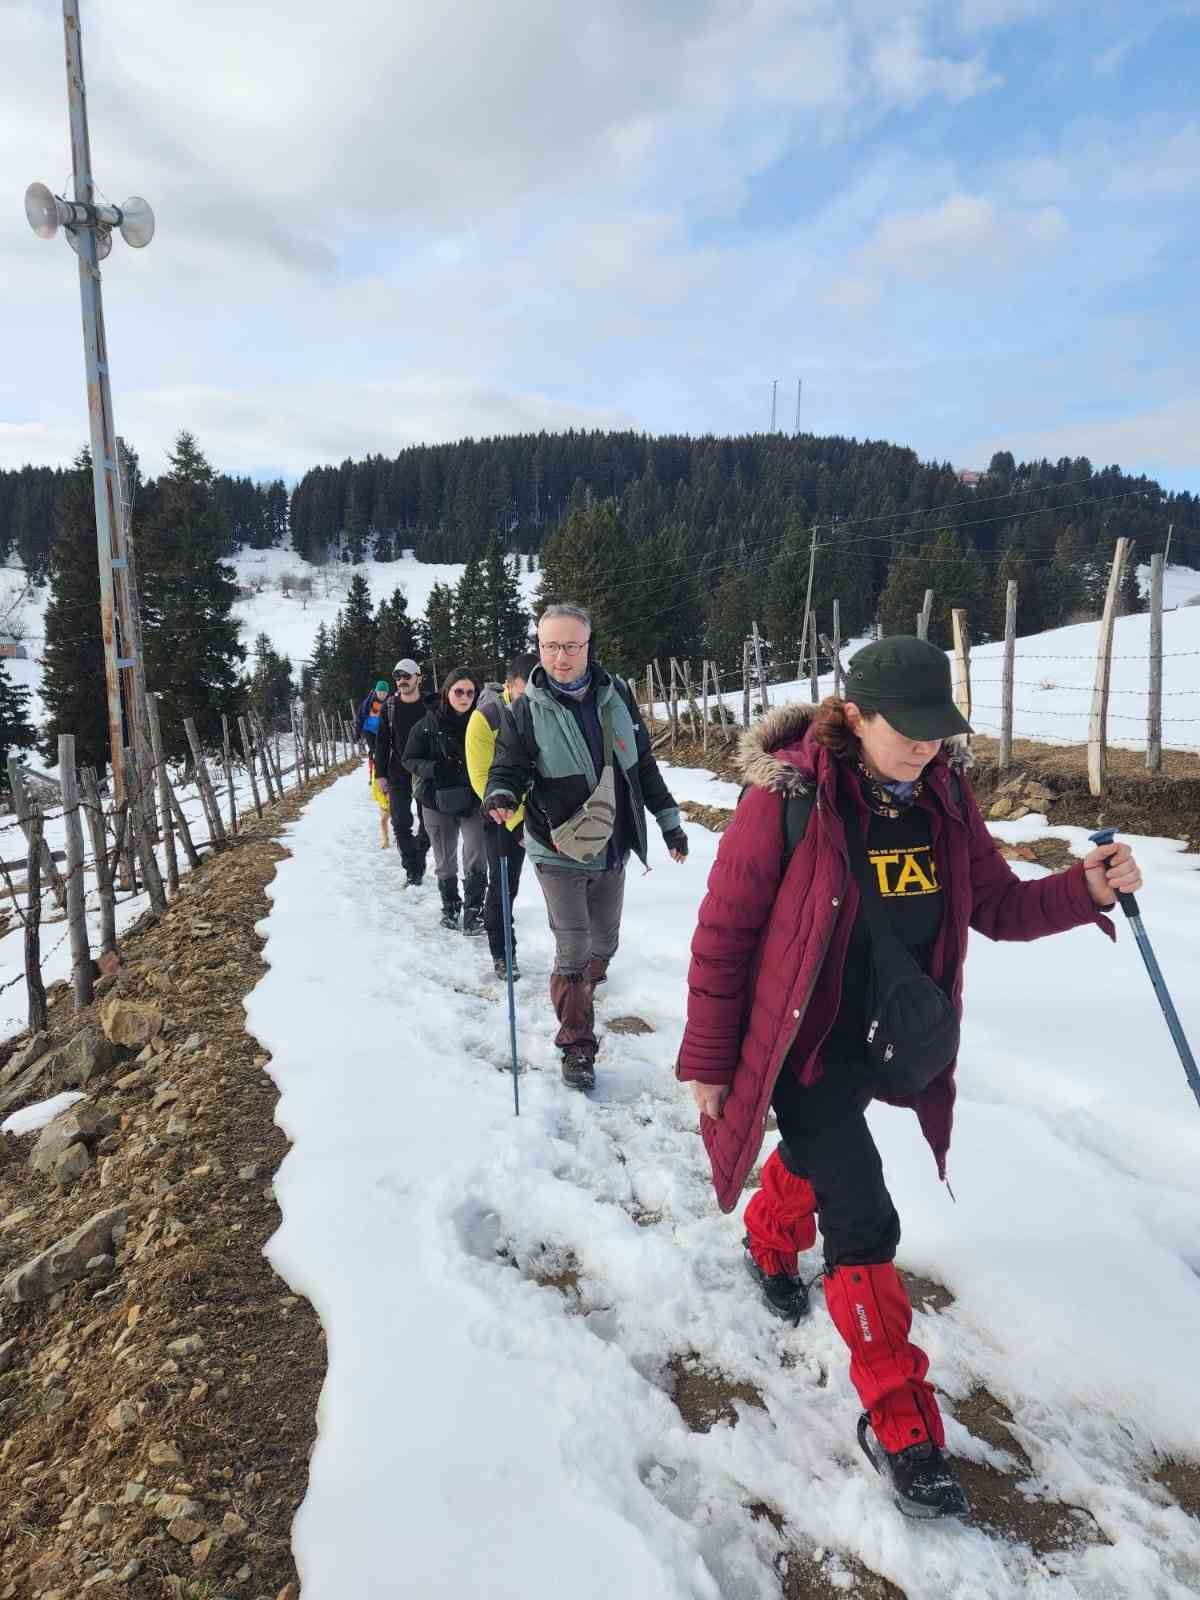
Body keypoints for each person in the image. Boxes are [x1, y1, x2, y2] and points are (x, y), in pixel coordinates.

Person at [674, 636, 1142, 1520]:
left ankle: (771, 1241)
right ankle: (901, 1423)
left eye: (938, 730)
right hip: (801, 1047)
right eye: (908, 730)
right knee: (862, 1213)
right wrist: (707, 1060)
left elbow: (998, 905)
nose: (926, 746)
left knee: (823, 1161)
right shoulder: (789, 799)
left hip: (885, 1036)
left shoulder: (944, 799)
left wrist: (1086, 892)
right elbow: (724, 934)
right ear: (854, 715)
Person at [485, 604, 688, 1091]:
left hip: (612, 842)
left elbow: (642, 765)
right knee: (573, 946)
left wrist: (669, 822)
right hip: (556, 848)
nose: (561, 656)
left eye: (572, 645)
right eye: (551, 645)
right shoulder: (524, 710)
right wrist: (502, 793)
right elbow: (507, 766)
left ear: (588, 646)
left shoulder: (616, 695)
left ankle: (582, 989)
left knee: (604, 942)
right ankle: (576, 1042)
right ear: (538, 647)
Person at [467, 652, 538, 979]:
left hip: (546, 812)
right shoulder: (486, 719)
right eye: (525, 693)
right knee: (503, 887)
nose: (531, 701)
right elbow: (482, 778)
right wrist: (518, 821)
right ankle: (503, 953)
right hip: (501, 816)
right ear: (509, 686)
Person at [404, 668, 485, 932]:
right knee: (444, 856)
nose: (464, 697)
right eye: (458, 691)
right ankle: (450, 906)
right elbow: (409, 759)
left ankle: (475, 910)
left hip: (473, 798)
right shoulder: (427, 724)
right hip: (436, 799)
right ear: (446, 692)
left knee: (476, 851)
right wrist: (434, 769)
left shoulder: (481, 721)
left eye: (470, 692)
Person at [374, 659, 430, 886]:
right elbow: (381, 742)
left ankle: (420, 852)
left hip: (426, 772)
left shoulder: (430, 705)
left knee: (430, 825)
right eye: (397, 677)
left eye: (407, 676)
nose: (402, 681)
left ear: (418, 676)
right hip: (398, 772)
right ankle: (412, 867)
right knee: (399, 822)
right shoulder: (390, 707)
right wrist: (380, 774)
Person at [355, 679, 390, 767]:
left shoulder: (389, 703)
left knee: (382, 750)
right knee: (374, 750)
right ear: (376, 692)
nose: (382, 695)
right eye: (380, 693)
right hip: (369, 730)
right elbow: (360, 717)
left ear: (387, 693)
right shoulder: (368, 703)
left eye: (384, 693)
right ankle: (373, 771)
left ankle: (383, 769)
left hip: (382, 731)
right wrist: (358, 731)